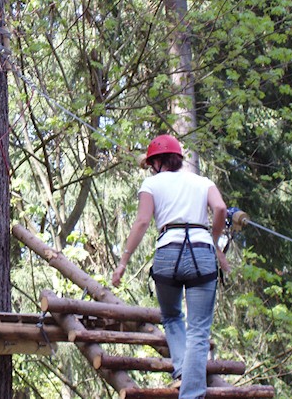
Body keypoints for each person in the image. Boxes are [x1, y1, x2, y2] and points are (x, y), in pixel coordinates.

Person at [111, 134, 230, 399]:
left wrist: (123, 262)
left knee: (172, 316)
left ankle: (182, 370)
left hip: (168, 251)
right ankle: (191, 393)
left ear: (156, 162)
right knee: (199, 330)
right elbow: (221, 208)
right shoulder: (203, 181)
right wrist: (213, 241)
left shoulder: (151, 184)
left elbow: (142, 222)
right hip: (201, 252)